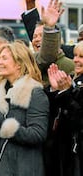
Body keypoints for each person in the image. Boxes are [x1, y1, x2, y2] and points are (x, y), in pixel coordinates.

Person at [0, 42, 49, 176]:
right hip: (3, 167)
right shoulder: (2, 93)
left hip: (25, 169)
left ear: (19, 64)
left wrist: (5, 126)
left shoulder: (35, 93)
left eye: (4, 58)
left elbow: (38, 134)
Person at [46, 41, 83, 176]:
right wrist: (54, 90)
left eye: (81, 57)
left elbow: (77, 119)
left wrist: (67, 92)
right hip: (61, 150)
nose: (76, 60)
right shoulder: (70, 78)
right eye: (75, 55)